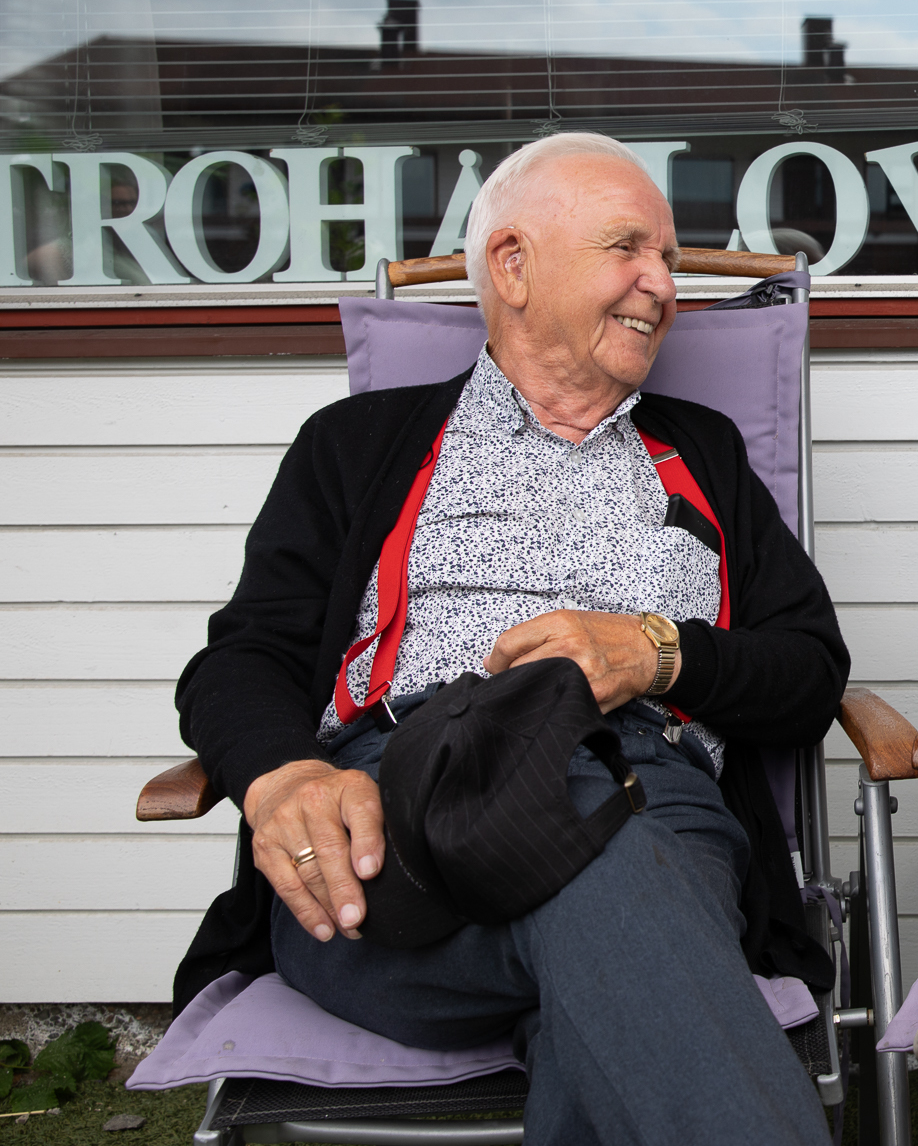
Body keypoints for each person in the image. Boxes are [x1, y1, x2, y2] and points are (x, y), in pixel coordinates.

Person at [171, 132, 846, 1146]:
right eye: (631, 249)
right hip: (398, 822)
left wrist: (658, 653)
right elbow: (245, 654)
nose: (663, 284)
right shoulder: (357, 446)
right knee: (622, 915)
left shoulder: (700, 453)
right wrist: (279, 779)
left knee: (605, 869)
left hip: (644, 788)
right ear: (514, 266)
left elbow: (809, 667)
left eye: (669, 259)